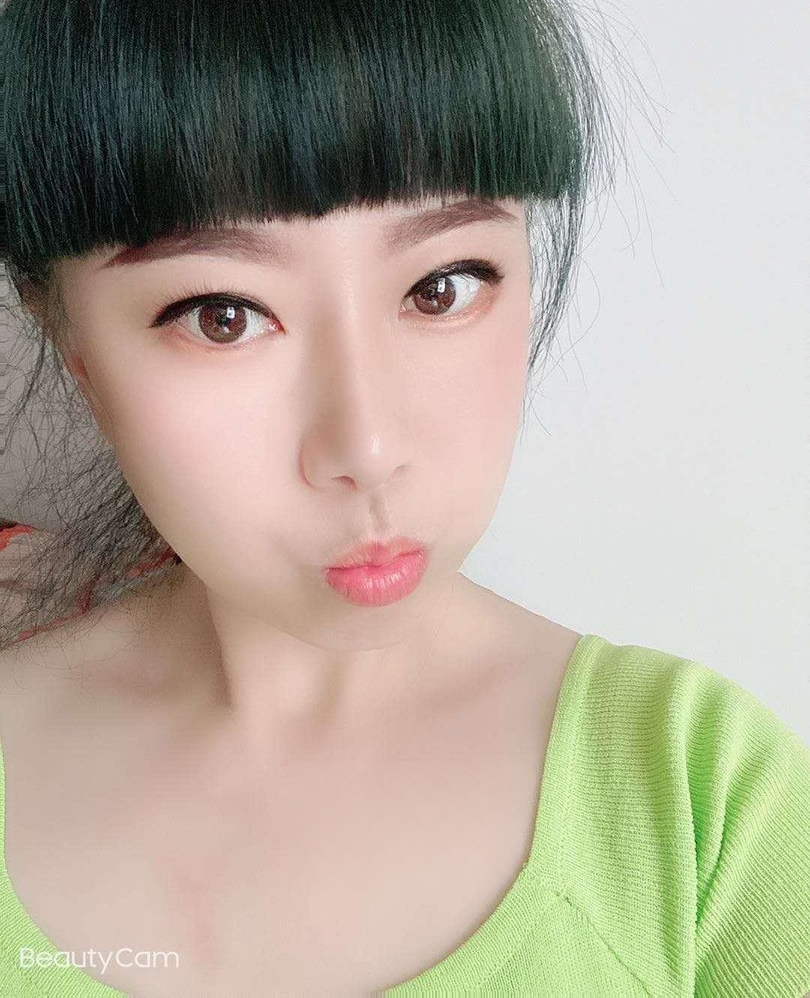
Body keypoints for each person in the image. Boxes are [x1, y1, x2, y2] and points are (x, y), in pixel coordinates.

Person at [1, 1, 808, 996]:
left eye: (443, 287)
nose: (369, 448)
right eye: (222, 316)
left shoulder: (701, 803)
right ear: (69, 341)